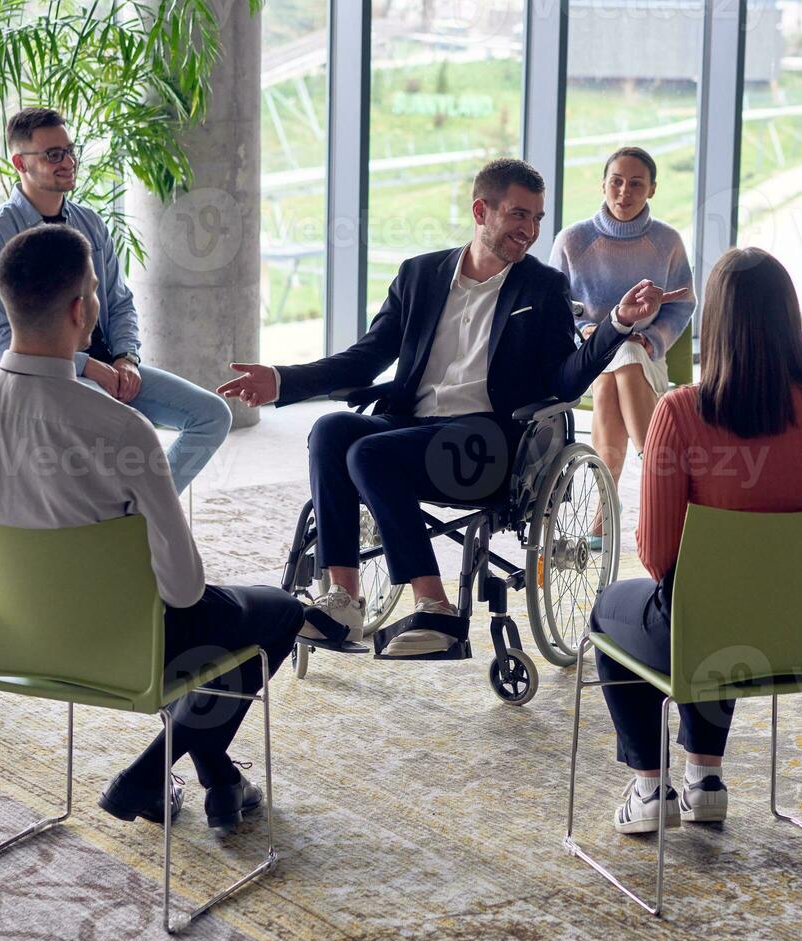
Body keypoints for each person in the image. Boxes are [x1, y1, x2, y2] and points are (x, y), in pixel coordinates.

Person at [218, 159, 687, 658]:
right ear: (481, 211)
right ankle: (342, 601)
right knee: (332, 430)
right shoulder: (420, 274)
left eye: (537, 219)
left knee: (369, 456)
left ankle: (437, 610)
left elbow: (563, 380)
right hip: (412, 429)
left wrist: (614, 324)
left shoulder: (542, 288)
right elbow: (366, 358)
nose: (528, 231)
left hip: (487, 442)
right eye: (517, 216)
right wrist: (282, 380)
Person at [0, 224, 300, 834]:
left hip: (7, 642)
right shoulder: (121, 431)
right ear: (81, 309)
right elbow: (183, 590)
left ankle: (212, 778)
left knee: (213, 629)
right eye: (95, 289)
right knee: (277, 613)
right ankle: (150, 775)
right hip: (123, 650)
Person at [589, 248, 802, 834]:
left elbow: (659, 557)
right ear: (790, 318)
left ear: (713, 321)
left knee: (619, 609)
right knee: (722, 600)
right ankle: (705, 779)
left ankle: (650, 788)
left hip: (710, 633)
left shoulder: (683, 411)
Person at [0, 107, 230, 490]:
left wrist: (127, 358)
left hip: (107, 364)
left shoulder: (90, 222)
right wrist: (86, 366)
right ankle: (116, 517)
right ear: (20, 163)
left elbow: (120, 302)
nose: (68, 162)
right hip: (36, 377)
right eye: (53, 154)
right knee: (122, 430)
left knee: (212, 416)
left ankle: (143, 510)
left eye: (70, 151)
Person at [549, 147, 696, 549]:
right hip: (588, 357)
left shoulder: (667, 241)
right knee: (613, 357)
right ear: (602, 184)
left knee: (626, 353)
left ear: (652, 189)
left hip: (645, 355)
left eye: (636, 183)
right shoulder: (573, 240)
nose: (624, 191)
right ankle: (660, 478)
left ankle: (604, 512)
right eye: (616, 181)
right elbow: (554, 308)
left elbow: (683, 304)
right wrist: (587, 331)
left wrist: (651, 337)